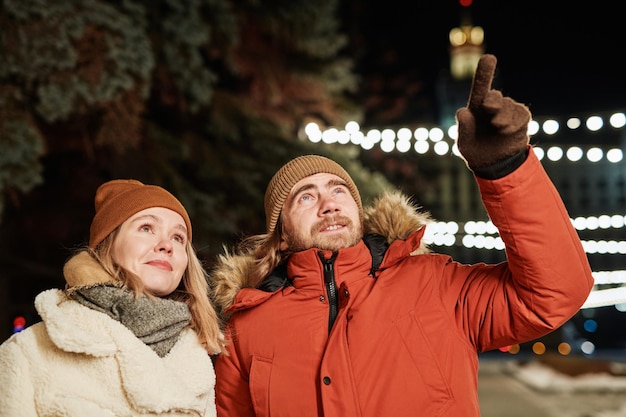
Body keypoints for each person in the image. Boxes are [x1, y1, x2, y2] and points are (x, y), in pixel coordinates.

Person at [209, 54, 595, 416]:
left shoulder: (435, 283)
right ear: (282, 237)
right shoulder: (246, 332)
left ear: (357, 213)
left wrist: (507, 169)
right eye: (305, 197)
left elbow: (555, 294)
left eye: (338, 190)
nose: (328, 203)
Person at [0, 179, 226, 416]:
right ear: (107, 243)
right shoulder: (28, 353)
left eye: (178, 237)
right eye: (146, 228)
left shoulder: (199, 358)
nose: (166, 245)